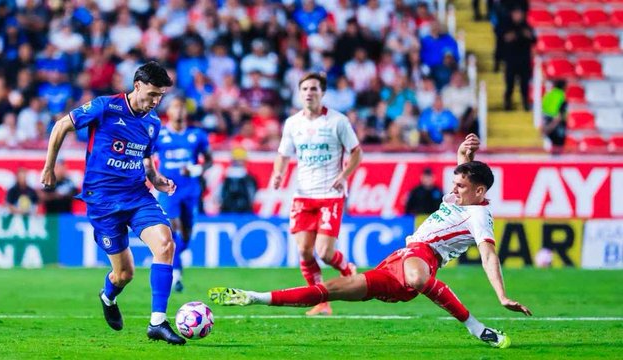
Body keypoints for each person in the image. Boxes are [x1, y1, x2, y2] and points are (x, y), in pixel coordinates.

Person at [209, 134, 533, 348]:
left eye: (461, 185)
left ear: (479, 192)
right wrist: (466, 153)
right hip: (396, 263)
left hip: (421, 259)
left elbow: (489, 256)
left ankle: (477, 328)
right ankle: (254, 297)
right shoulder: (459, 198)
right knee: (331, 290)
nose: (454, 188)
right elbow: (465, 173)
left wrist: (502, 296)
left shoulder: (479, 217)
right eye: (455, 182)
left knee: (420, 276)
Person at [40, 61, 186, 345]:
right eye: (152, 94)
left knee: (166, 244)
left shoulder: (153, 124)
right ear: (138, 85)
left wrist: (156, 179)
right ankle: (108, 296)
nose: (156, 102)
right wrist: (49, 167)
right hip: (103, 200)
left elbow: (146, 159)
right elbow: (61, 126)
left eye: (161, 96)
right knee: (124, 274)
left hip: (136, 195)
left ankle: (157, 322)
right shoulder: (105, 107)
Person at [271, 72, 363, 316]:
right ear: (299, 93)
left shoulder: (338, 121)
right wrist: (278, 173)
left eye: (314, 89)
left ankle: (348, 270)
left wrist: (343, 176)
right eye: (305, 89)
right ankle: (321, 301)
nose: (309, 93)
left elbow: (356, 152)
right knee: (304, 251)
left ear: (323, 93)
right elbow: (283, 154)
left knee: (324, 252)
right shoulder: (292, 123)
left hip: (330, 194)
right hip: (302, 195)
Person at [155, 96, 213, 293]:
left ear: (186, 112)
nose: (178, 111)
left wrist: (195, 169)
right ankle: (176, 274)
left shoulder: (197, 135)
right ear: (169, 111)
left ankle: (175, 259)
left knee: (186, 234)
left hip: (190, 190)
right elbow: (145, 157)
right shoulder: (159, 135)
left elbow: (209, 160)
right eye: (175, 107)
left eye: (181, 108)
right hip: (168, 190)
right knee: (172, 229)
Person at [501, 7, 535, 111]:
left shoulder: (527, 26)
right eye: (516, 13)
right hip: (511, 60)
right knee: (509, 84)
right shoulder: (507, 26)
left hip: (524, 60)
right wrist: (514, 35)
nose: (518, 16)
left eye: (520, 13)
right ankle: (507, 103)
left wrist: (526, 35)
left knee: (524, 84)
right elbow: (503, 39)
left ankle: (525, 103)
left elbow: (534, 39)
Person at [220, 147, 258, 213]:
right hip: (227, 211)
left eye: (240, 160)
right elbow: (221, 195)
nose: (239, 162)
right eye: (237, 160)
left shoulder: (249, 178)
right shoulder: (226, 178)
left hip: (245, 211)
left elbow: (252, 196)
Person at [540, 79, 567, 148]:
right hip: (556, 126)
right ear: (564, 87)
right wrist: (551, 126)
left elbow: (543, 111)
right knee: (558, 149)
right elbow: (560, 115)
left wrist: (544, 128)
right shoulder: (562, 96)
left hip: (546, 123)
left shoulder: (548, 95)